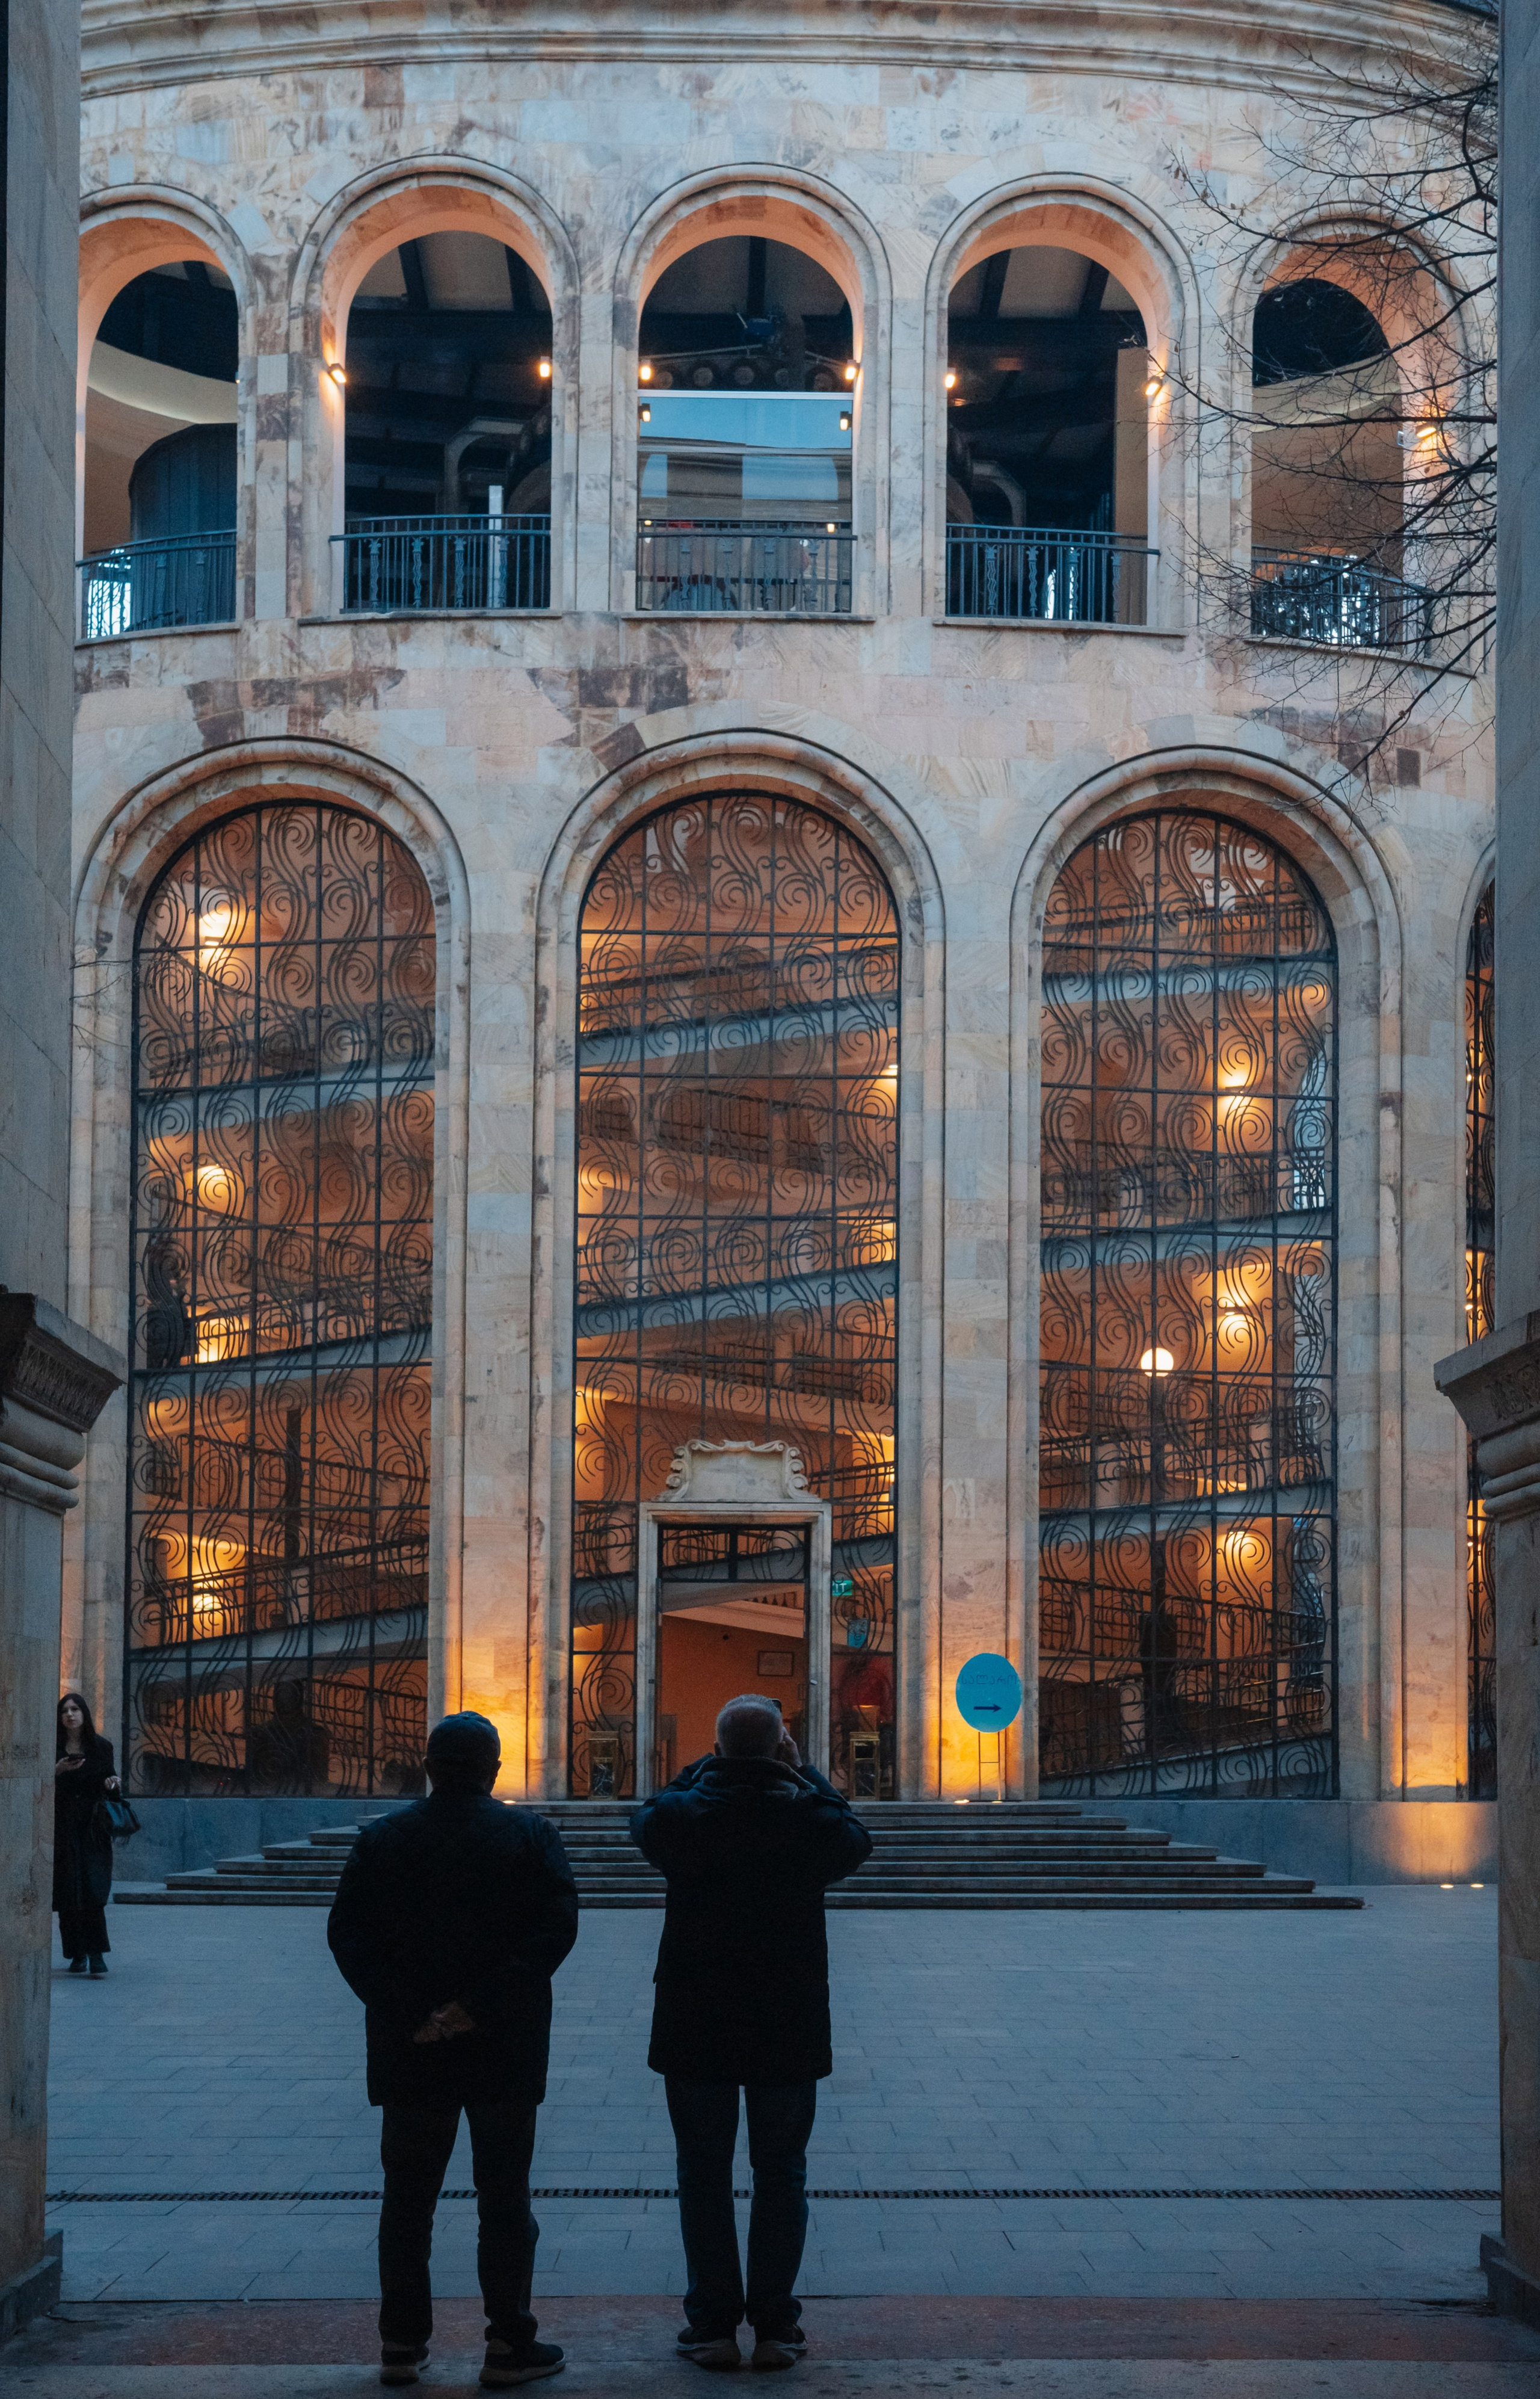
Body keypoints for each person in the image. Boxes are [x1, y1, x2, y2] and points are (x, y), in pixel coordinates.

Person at [327, 1711, 579, 2391]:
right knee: (504, 2197)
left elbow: (349, 1938)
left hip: (412, 2048)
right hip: (503, 2047)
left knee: (408, 2201)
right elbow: (553, 1932)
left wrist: (416, 2013)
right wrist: (478, 2006)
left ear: (429, 1767)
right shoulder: (530, 1836)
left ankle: (402, 2344)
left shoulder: (383, 1840)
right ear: (494, 1770)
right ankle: (507, 2344)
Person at [631, 1694, 873, 2373]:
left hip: (696, 2021)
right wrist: (806, 1774)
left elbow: (643, 1817)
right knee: (782, 2173)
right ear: (780, 1751)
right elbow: (855, 1834)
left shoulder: (686, 1815)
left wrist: (703, 1769)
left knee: (702, 2175)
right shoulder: (804, 1818)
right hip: (785, 2020)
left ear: (716, 1751)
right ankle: (775, 2327)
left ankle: (711, 2325)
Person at [54, 1691, 121, 1978]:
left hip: (93, 1830)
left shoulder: (101, 1747)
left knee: (94, 1889)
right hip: (62, 1829)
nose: (70, 1715)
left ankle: (96, 1953)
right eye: (65, 1710)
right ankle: (77, 1953)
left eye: (75, 1709)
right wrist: (55, 1770)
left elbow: (113, 1787)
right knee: (68, 1892)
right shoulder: (52, 1748)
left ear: (84, 1714)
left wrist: (112, 1784)